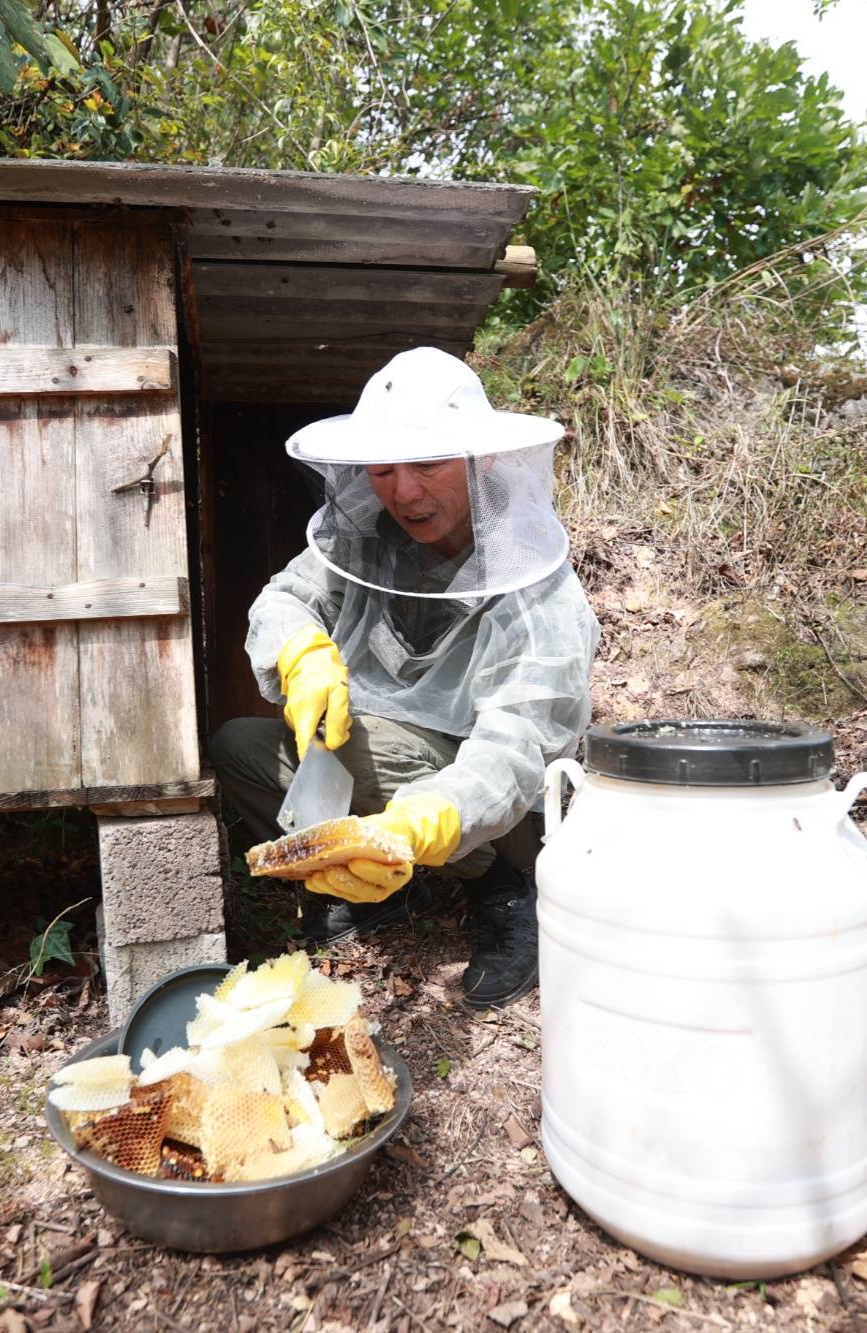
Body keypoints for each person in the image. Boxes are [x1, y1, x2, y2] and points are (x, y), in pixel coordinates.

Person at [211, 347, 599, 1008]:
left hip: (516, 805)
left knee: (368, 761)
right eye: (385, 470)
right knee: (239, 750)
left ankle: (504, 886)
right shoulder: (368, 531)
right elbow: (285, 599)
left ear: (484, 459)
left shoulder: (541, 593)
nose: (405, 492)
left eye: (427, 464)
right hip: (397, 746)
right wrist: (301, 651)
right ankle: (394, 885)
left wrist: (422, 823)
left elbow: (515, 751)